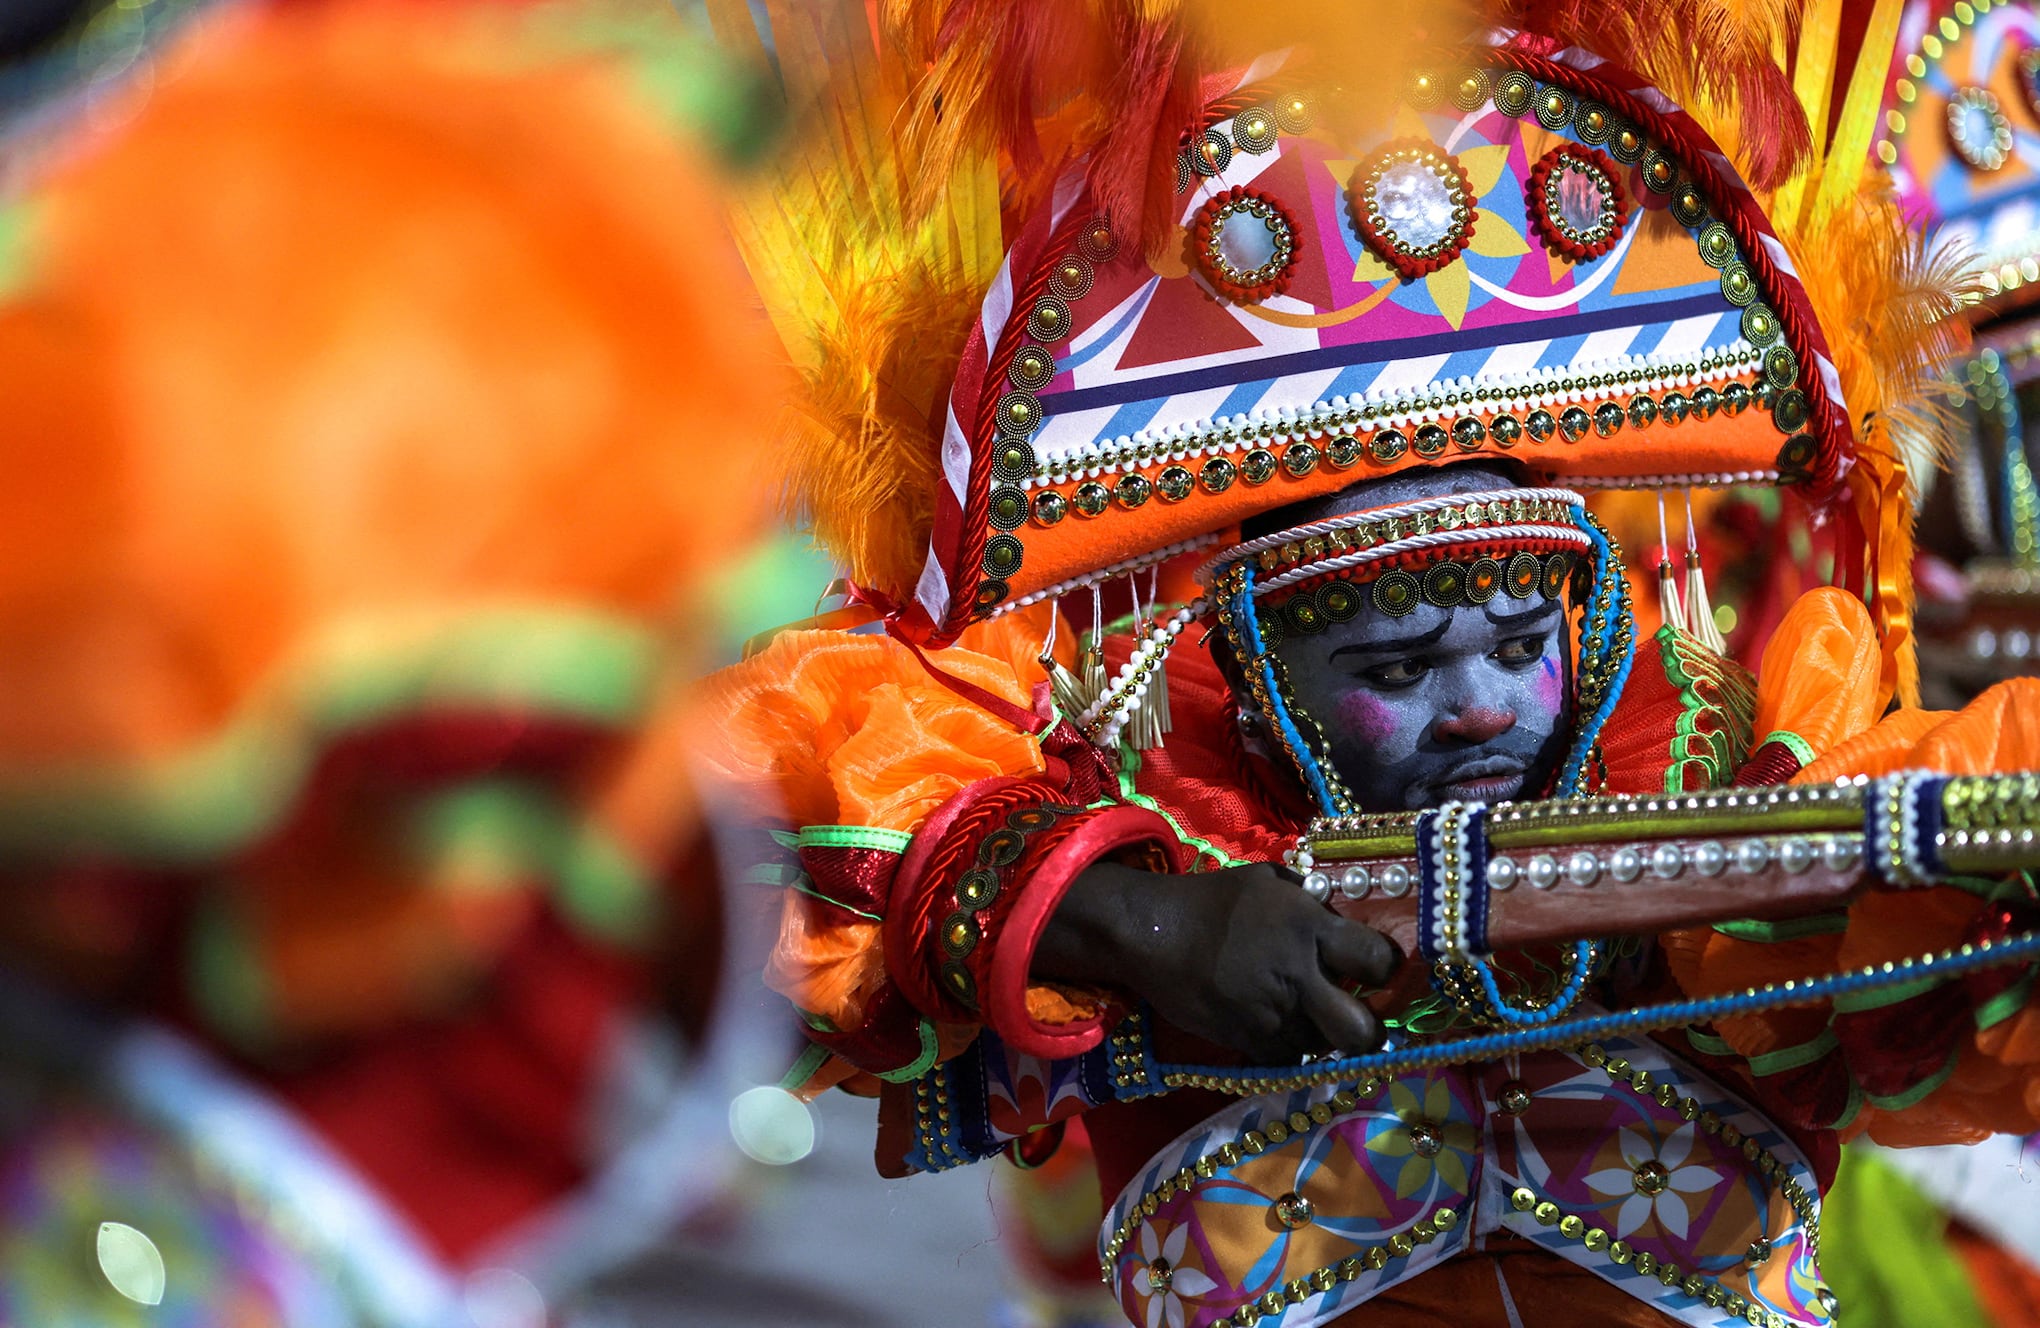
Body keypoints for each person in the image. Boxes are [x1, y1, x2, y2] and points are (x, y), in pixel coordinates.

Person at [702, 3, 2040, 1325]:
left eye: (1522, 645)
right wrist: (1137, 926)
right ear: (1257, 651)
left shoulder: (1705, 740)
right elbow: (763, 815)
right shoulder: (1152, 772)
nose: (1478, 710)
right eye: (1398, 669)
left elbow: (1943, 824)